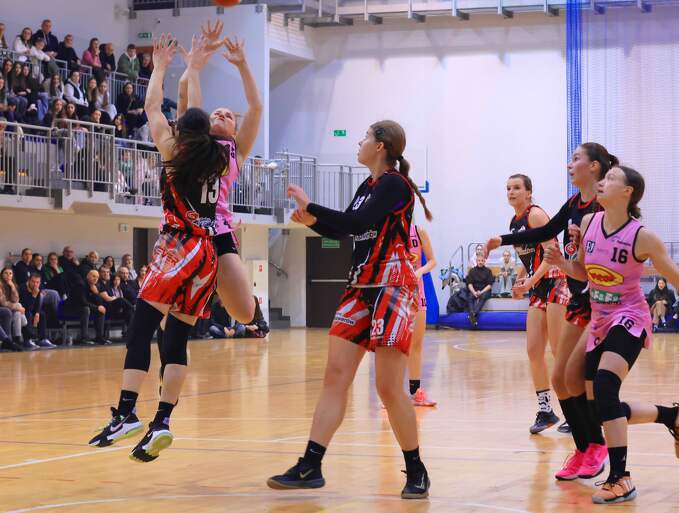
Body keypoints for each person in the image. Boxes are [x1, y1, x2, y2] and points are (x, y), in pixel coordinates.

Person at [267, 120, 431, 499]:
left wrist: (311, 205)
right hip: (360, 287)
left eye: (364, 138)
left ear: (381, 145)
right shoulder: (367, 187)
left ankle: (416, 469)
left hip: (392, 285)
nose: (359, 143)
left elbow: (357, 221)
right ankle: (310, 465)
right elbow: (346, 230)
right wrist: (313, 222)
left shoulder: (394, 184)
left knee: (388, 387)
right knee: (335, 378)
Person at [88, 33, 227, 463]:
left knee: (141, 328)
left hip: (178, 246)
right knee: (177, 338)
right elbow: (196, 113)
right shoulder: (218, 154)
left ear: (179, 131)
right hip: (208, 254)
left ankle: (126, 413)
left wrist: (162, 67)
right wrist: (195, 70)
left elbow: (152, 107)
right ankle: (162, 421)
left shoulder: (173, 152)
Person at [545, 165, 679, 504]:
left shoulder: (643, 237)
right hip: (599, 319)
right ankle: (675, 415)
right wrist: (561, 263)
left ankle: (620, 478)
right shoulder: (589, 223)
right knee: (600, 407)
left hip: (629, 317)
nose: (602, 182)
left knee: (604, 387)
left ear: (628, 192)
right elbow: (582, 271)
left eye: (611, 178)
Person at [485, 143, 616, 480]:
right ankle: (584, 445)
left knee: (583, 378)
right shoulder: (572, 204)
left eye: (576, 159)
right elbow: (545, 237)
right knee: (558, 373)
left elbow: (553, 248)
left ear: (595, 167)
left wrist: (541, 274)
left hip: (599, 298)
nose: (569, 164)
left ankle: (605, 449)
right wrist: (502, 241)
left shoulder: (606, 204)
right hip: (579, 294)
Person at [176, 21, 264, 332]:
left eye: (228, 115)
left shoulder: (235, 150)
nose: (222, 114)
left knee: (245, 312)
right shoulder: (194, 141)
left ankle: (213, 282)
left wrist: (242, 64)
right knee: (173, 318)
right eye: (217, 112)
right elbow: (191, 103)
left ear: (235, 130)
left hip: (220, 228)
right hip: (187, 228)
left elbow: (256, 107)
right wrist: (194, 67)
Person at [505, 173, 570, 434]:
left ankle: (574, 412)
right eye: (508, 188)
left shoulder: (536, 215)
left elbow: (552, 253)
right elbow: (529, 258)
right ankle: (546, 411)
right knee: (534, 350)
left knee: (559, 351)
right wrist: (520, 280)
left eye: (516, 188)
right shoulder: (514, 222)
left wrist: (530, 281)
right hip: (538, 286)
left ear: (529, 192)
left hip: (556, 281)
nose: (511, 192)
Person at [406, 224, 437, 407]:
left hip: (417, 293)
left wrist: (420, 271)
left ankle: (416, 392)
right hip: (394, 293)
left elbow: (432, 261)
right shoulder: (388, 229)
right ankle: (392, 394)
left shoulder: (419, 231)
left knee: (416, 345)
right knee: (394, 348)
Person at [19, 273, 55, 348]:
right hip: (22, 310)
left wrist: (37, 313)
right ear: (29, 281)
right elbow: (27, 307)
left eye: (37, 282)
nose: (35, 284)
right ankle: (27, 340)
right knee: (28, 314)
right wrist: (34, 295)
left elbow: (38, 303)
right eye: (33, 281)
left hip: (31, 309)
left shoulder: (37, 289)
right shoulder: (22, 288)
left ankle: (42, 339)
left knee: (42, 314)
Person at [0, 267, 31, 350]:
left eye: (10, 273)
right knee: (17, 307)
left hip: (10, 309)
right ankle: (24, 330)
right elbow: (3, 303)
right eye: (6, 273)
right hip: (3, 308)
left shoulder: (13, 285)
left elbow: (15, 300)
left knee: (17, 312)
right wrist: (17, 307)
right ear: (2, 275)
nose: (8, 275)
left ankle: (17, 339)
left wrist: (13, 287)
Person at [464, 255, 494, 328]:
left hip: (484, 290)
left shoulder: (488, 271)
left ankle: (473, 314)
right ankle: (472, 314)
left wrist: (481, 292)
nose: (480, 262)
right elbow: (469, 284)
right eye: (479, 260)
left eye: (482, 261)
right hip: (474, 290)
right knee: (470, 297)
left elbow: (489, 285)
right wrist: (474, 292)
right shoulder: (472, 271)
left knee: (483, 297)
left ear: (484, 261)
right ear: (476, 261)